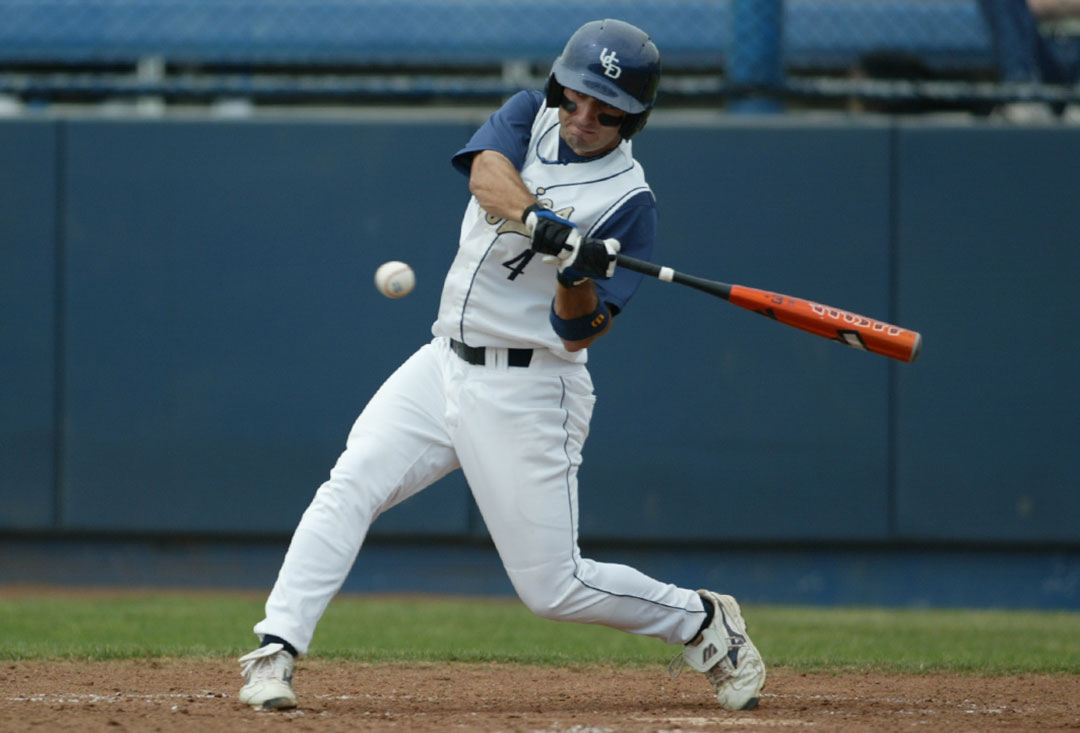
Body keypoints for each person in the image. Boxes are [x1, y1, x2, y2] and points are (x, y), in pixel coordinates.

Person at [236, 18, 766, 713]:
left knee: (553, 586)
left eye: (605, 111)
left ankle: (703, 621)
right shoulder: (528, 116)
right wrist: (542, 221)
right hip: (442, 363)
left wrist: (574, 268)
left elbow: (577, 332)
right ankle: (276, 648)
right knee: (350, 484)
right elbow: (487, 176)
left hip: (529, 389)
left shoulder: (630, 205)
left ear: (632, 119)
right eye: (575, 97)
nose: (582, 118)